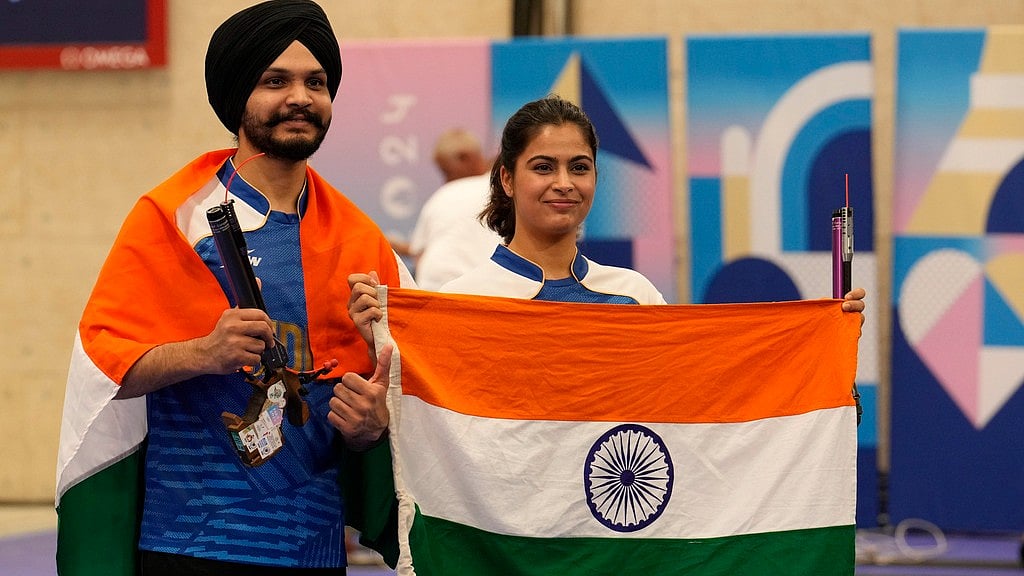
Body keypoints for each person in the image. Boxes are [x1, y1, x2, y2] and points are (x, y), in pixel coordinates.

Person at [55, 1, 410, 574]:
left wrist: (376, 422)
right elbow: (104, 370)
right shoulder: (173, 219)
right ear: (237, 95)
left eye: (315, 82)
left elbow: (399, 392)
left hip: (314, 547)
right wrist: (204, 353)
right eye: (276, 81)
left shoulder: (361, 240)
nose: (300, 96)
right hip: (191, 542)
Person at [348, 95, 865, 341]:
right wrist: (381, 336)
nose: (564, 183)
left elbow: (699, 391)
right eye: (542, 167)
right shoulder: (461, 304)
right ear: (506, 179)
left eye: (580, 167)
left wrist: (821, 338)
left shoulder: (635, 296)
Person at [404, 129, 503, 290]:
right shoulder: (507, 192)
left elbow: (419, 254)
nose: (445, 179)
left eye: (446, 171)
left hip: (436, 293)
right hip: (490, 293)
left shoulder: (444, 193)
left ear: (465, 157)